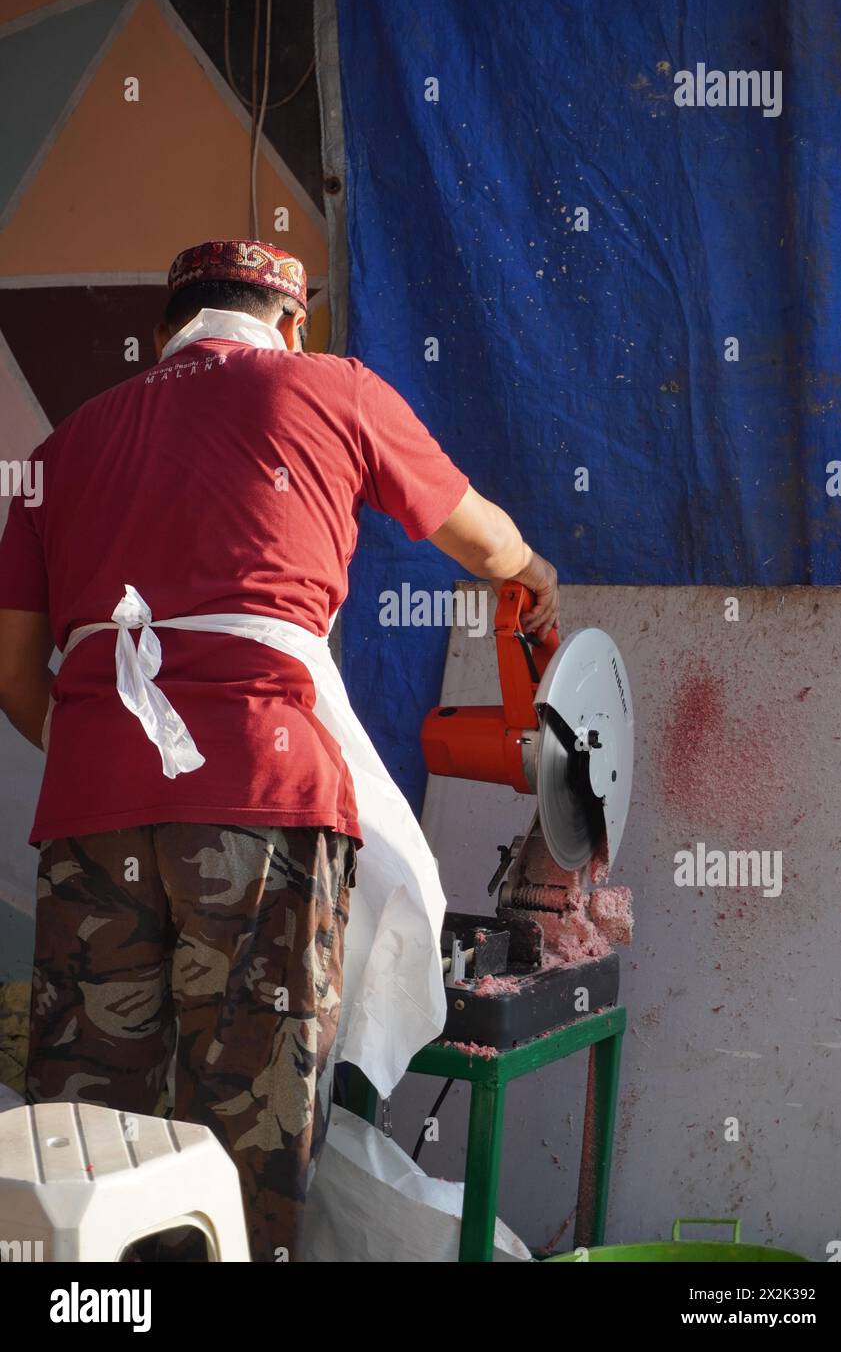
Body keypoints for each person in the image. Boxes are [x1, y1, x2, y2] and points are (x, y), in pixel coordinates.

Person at [0, 238, 558, 1261]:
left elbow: (12, 667)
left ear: (168, 332)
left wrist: (121, 751)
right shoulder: (332, 388)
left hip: (90, 814)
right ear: (289, 322)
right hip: (265, 794)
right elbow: (481, 543)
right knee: (245, 1128)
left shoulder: (60, 449)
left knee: (87, 1136)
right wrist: (533, 569)